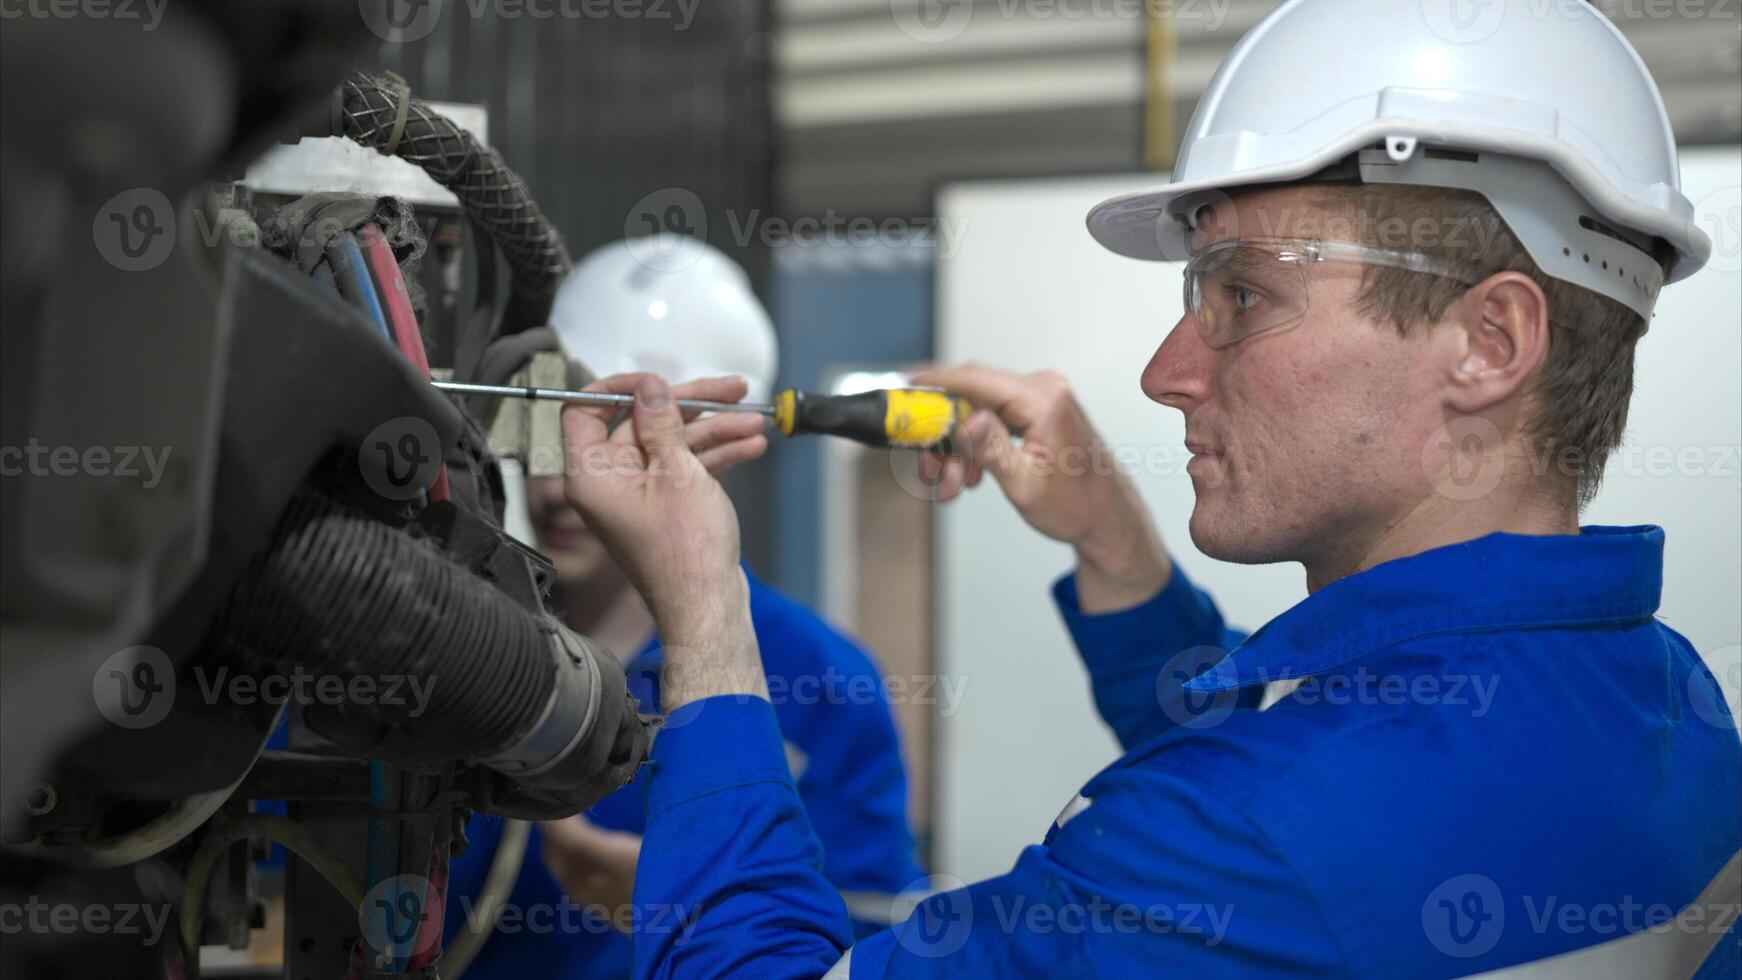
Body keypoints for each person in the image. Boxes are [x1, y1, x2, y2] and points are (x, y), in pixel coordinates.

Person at [555, 4, 1741, 977]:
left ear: (1487, 340)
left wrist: (703, 607)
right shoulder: (1658, 698)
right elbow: (1314, 788)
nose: (1165, 373)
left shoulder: (1256, 835)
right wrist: (1115, 550)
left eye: (1241, 296)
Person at [440, 237, 924, 978]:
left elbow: (874, 930)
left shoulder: (821, 681)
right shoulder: (455, 635)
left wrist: (685, 896)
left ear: (718, 441)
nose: (569, 479)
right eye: (559, 424)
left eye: (621, 429)